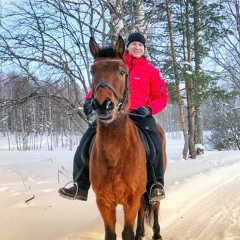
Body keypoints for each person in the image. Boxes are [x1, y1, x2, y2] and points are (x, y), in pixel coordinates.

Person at [58, 32, 168, 204]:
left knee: (155, 142)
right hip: (113, 113)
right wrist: (89, 100)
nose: (137, 48)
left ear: (144, 49)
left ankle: (156, 185)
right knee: (87, 140)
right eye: (134, 44)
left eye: (140, 45)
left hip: (140, 114)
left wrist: (149, 109)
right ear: (128, 47)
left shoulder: (151, 71)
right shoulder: (113, 63)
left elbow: (162, 97)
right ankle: (80, 185)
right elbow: (101, 85)